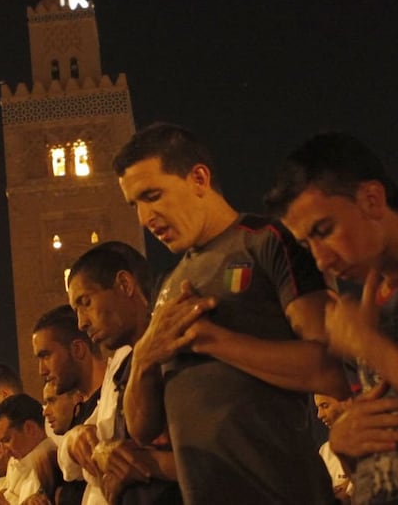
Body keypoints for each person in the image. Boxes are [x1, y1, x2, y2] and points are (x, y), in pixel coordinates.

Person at [114, 122, 345, 504]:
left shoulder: (272, 240)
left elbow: (328, 368)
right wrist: (143, 359)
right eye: (134, 204)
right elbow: (142, 430)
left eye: (152, 196)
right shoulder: (168, 286)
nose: (143, 217)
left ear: (199, 178)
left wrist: (213, 340)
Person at [267, 132, 398, 503]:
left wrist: (370, 347)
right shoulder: (370, 297)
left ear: (371, 199)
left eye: (324, 231)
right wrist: (344, 444)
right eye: (306, 244)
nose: (321, 260)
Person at [63, 240, 182, 504]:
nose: (81, 323)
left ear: (125, 285)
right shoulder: (124, 368)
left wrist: (148, 464)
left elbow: (224, 453)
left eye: (86, 302)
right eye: (76, 311)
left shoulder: (181, 349)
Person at [33, 305, 108, 428]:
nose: (42, 371)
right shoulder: (81, 416)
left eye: (46, 356)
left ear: (77, 349)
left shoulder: (122, 399)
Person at [0, 394, 60, 504]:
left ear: (30, 428)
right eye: (0, 443)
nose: (3, 452)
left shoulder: (54, 467)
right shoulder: (21, 470)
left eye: (6, 440)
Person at [313, 394, 353, 504]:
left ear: (347, 402)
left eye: (325, 406)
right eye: (318, 408)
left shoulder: (371, 441)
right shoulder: (325, 451)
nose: (319, 415)